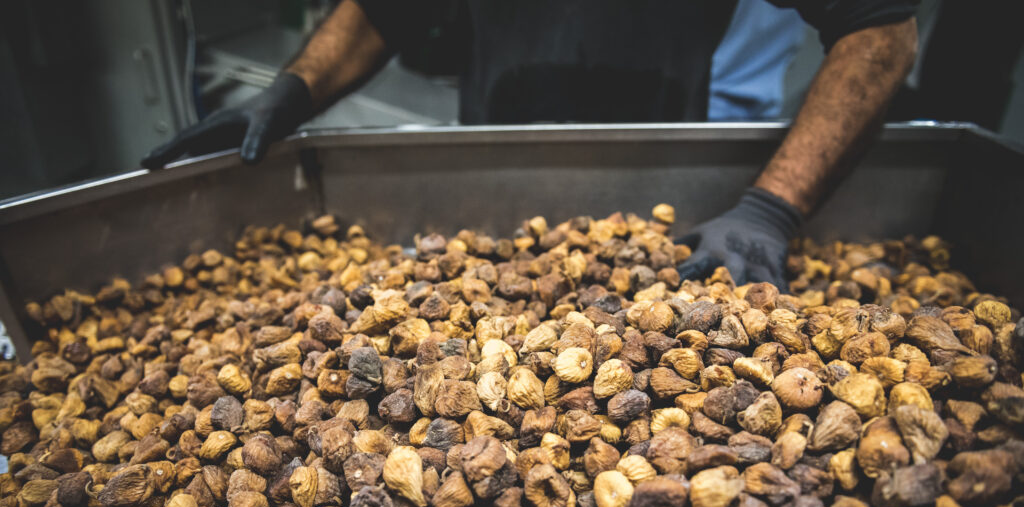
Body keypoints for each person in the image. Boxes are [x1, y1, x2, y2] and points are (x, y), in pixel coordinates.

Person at [143, 0, 919, 288]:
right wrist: (293, 91)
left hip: (665, 176)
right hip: (493, 173)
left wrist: (771, 209)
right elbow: (387, 11)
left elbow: (876, 28)